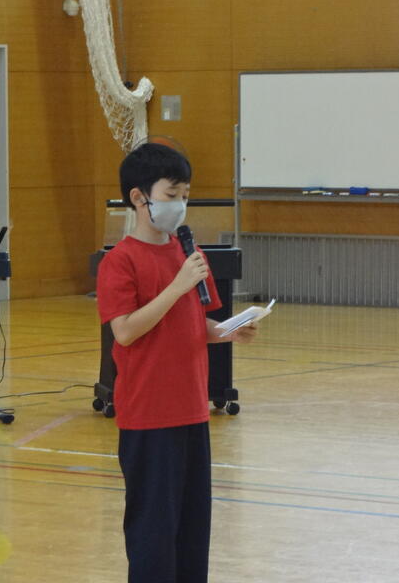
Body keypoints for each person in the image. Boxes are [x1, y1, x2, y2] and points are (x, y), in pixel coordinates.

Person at [96, 142, 258, 583]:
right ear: (139, 197)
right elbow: (125, 331)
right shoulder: (120, 262)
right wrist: (175, 285)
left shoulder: (187, 253)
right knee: (153, 533)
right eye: (171, 195)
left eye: (185, 194)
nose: (180, 204)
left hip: (191, 411)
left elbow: (192, 324)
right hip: (149, 417)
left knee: (191, 532)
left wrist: (228, 330)